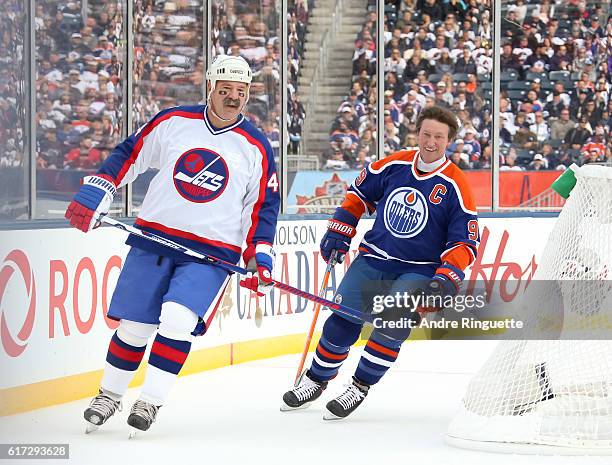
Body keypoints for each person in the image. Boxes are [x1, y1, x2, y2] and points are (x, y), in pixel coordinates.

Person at [65, 55, 280, 434]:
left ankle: (149, 401)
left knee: (178, 321)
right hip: (155, 240)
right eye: (225, 89)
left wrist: (259, 254)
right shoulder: (174, 121)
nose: (233, 98)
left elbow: (261, 207)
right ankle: (109, 395)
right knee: (134, 327)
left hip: (210, 255)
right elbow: (129, 154)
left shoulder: (256, 146)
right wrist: (99, 190)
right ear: (210, 87)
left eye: (241, 92)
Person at [281, 106, 479, 420]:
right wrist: (340, 230)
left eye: (438, 137)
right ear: (417, 133)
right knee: (340, 322)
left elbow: (465, 242)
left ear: (449, 141)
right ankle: (316, 379)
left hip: (419, 268)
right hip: (374, 257)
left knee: (392, 326)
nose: (430, 141)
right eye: (426, 134)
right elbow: (357, 195)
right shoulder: (393, 165)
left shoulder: (456, 185)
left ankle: (359, 386)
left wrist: (445, 278)